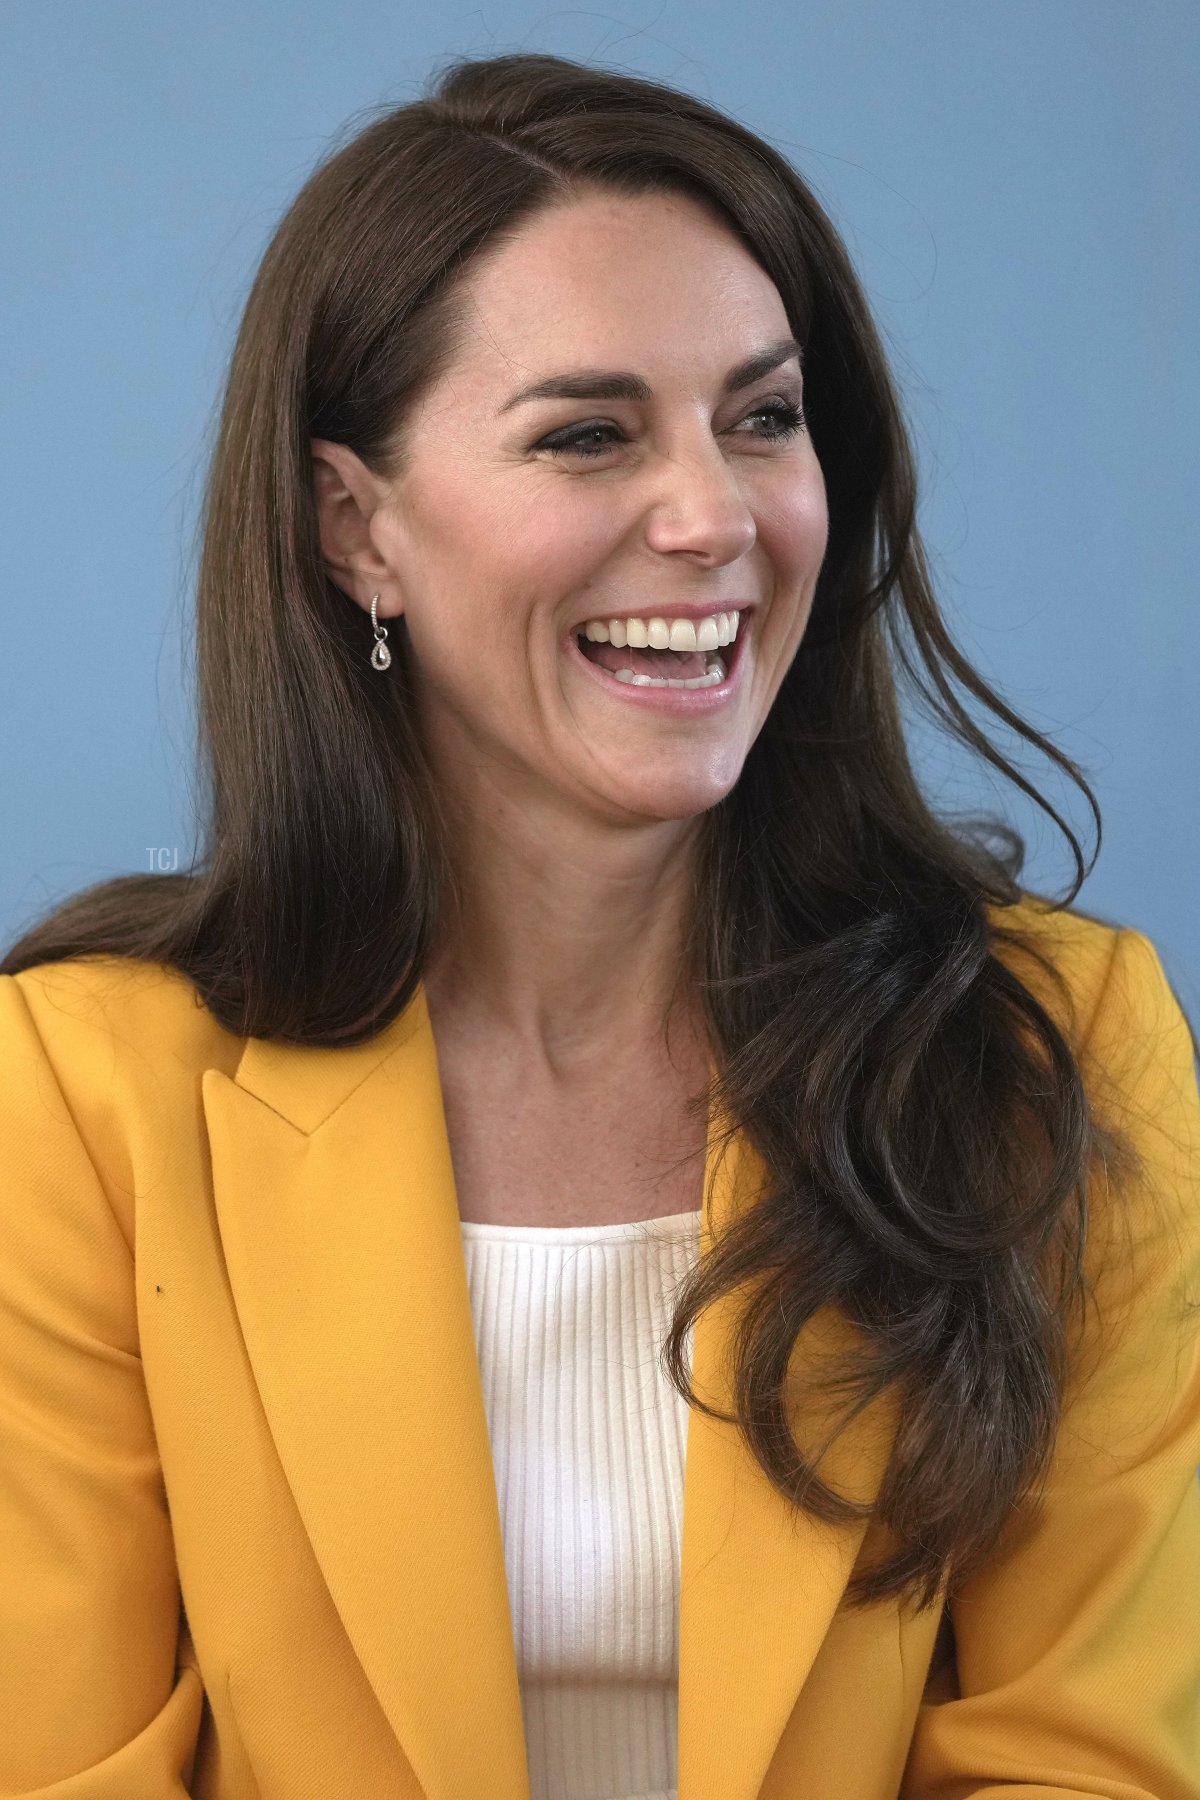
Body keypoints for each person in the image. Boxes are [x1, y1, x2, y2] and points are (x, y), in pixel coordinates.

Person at [2, 49, 1198, 1800]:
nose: (716, 517)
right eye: (587, 433)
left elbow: (1088, 1765)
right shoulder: (81, 1092)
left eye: (765, 417)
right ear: (358, 531)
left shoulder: (1058, 1050)